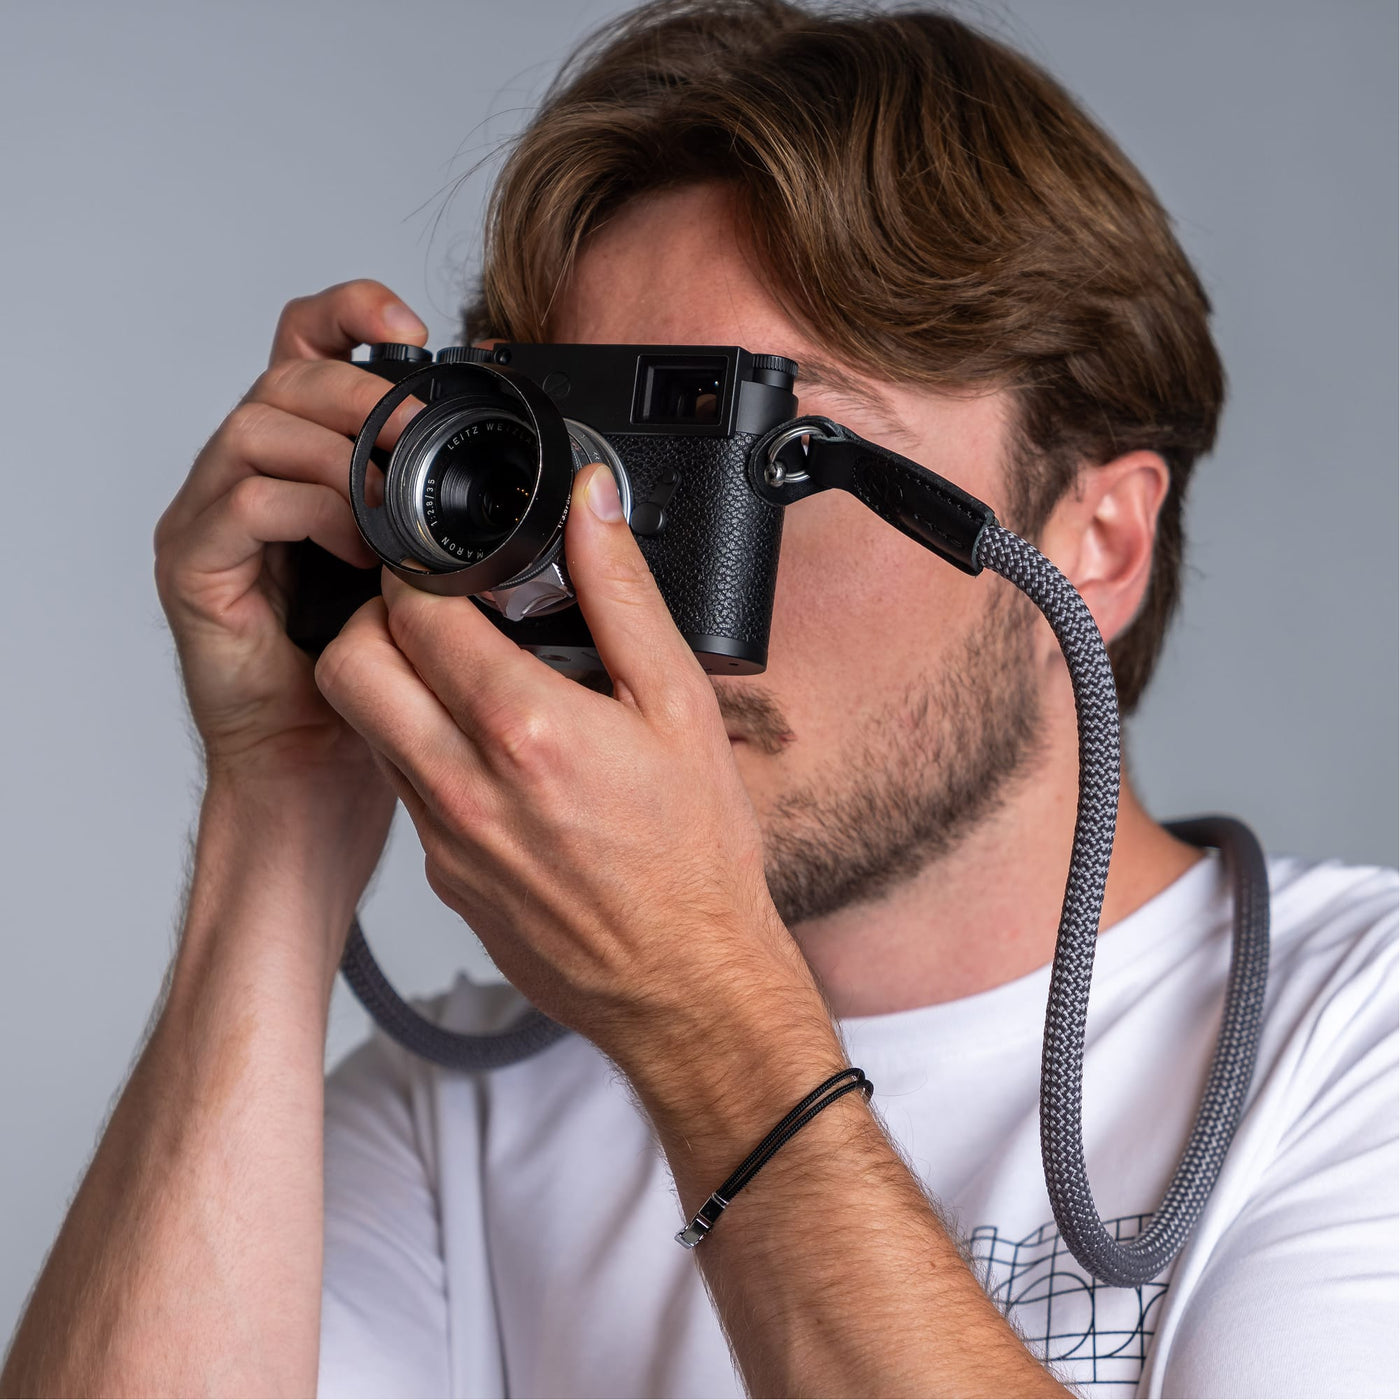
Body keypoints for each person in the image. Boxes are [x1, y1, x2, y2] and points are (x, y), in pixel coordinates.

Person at [3, 2, 1395, 1396]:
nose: (651, 610)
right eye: (620, 476)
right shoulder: (460, 1114)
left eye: (784, 465)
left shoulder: (1350, 1042)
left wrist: (705, 1024)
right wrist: (282, 804)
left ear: (1099, 544)